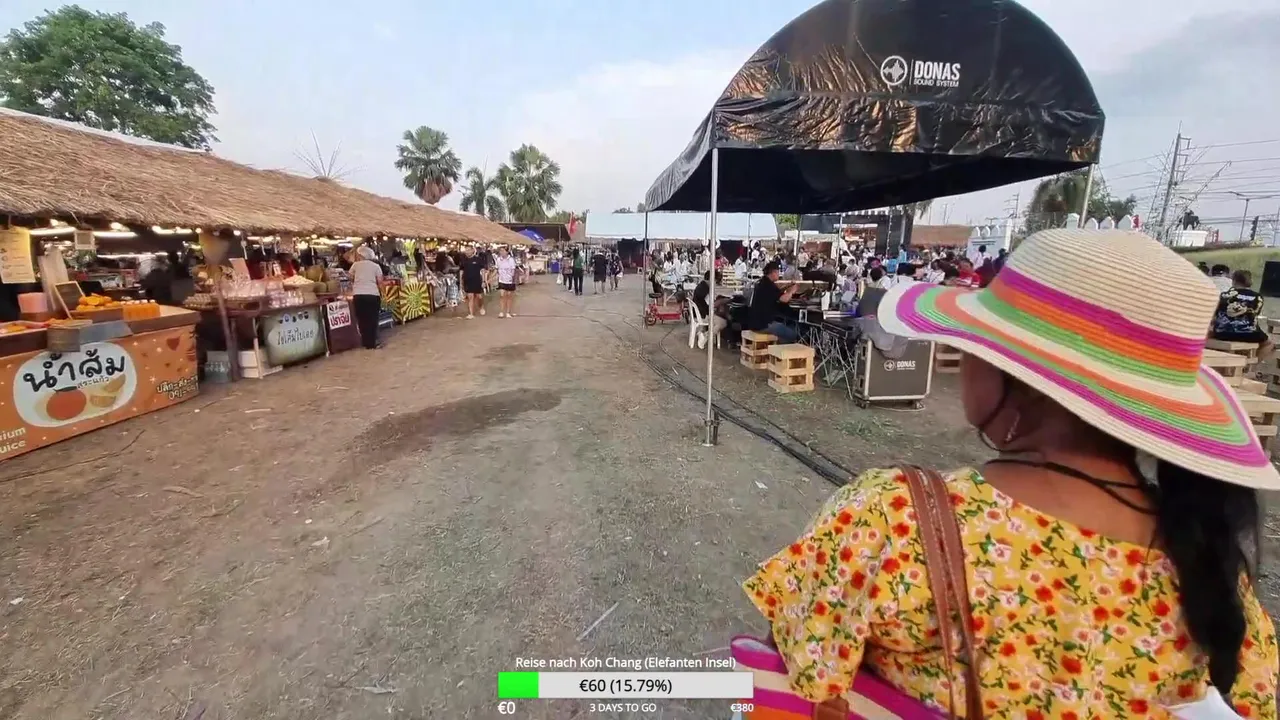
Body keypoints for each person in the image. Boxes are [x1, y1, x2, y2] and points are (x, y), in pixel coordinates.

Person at [743, 229, 1279, 719]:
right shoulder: (1213, 571)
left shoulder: (893, 518)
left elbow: (790, 678)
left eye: (972, 343)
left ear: (1010, 373)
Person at [1212, 270, 1274, 358]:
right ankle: (1251, 365)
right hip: (1248, 334)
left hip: (1222, 333)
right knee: (1269, 344)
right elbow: (1255, 314)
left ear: (1234, 280)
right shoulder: (1257, 297)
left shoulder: (1224, 295)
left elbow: (1215, 314)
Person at [746, 261, 799, 342]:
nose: (779, 275)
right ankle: (778, 348)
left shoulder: (763, 282)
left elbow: (775, 293)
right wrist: (792, 291)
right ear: (773, 272)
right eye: (778, 272)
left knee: (783, 326)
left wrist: (787, 286)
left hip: (755, 323)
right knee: (793, 334)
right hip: (764, 325)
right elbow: (784, 299)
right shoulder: (769, 286)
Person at [350, 245, 384, 349]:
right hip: (373, 295)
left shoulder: (355, 265)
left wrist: (358, 282)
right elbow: (380, 282)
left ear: (361, 255)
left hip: (358, 295)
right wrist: (383, 294)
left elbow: (350, 277)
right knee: (372, 319)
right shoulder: (376, 266)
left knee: (362, 319)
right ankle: (373, 342)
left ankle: (366, 342)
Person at [692, 270, 729, 348]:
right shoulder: (705, 289)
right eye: (716, 281)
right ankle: (705, 337)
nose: (716, 283)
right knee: (723, 322)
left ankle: (703, 333)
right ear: (712, 279)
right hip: (703, 315)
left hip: (699, 313)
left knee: (720, 315)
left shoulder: (701, 286)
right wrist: (723, 300)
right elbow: (712, 305)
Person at [460, 246, 486, 318]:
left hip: (477, 281)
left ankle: (481, 307)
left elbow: (483, 270)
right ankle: (471, 314)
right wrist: (461, 281)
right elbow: (461, 271)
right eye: (466, 250)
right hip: (467, 281)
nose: (467, 252)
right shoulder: (463, 260)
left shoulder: (478, 259)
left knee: (479, 297)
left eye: (468, 250)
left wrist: (484, 281)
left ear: (472, 251)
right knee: (470, 297)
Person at [494, 246, 518, 318]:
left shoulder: (511, 260)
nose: (501, 252)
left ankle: (508, 312)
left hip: (510, 280)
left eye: (503, 251)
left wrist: (514, 280)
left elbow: (514, 270)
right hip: (502, 280)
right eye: (500, 251)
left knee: (509, 296)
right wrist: (491, 278)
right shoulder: (498, 259)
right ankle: (501, 312)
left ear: (507, 252)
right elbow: (496, 269)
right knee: (502, 296)